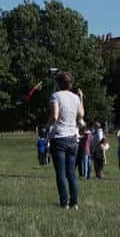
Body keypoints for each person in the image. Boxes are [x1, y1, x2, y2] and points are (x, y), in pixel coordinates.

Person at [49, 70, 84, 210]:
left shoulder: (55, 96)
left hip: (59, 138)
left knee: (61, 173)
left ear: (59, 83)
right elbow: (81, 114)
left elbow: (55, 116)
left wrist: (47, 125)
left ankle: (64, 203)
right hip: (72, 139)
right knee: (71, 173)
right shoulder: (75, 97)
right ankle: (74, 202)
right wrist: (81, 98)